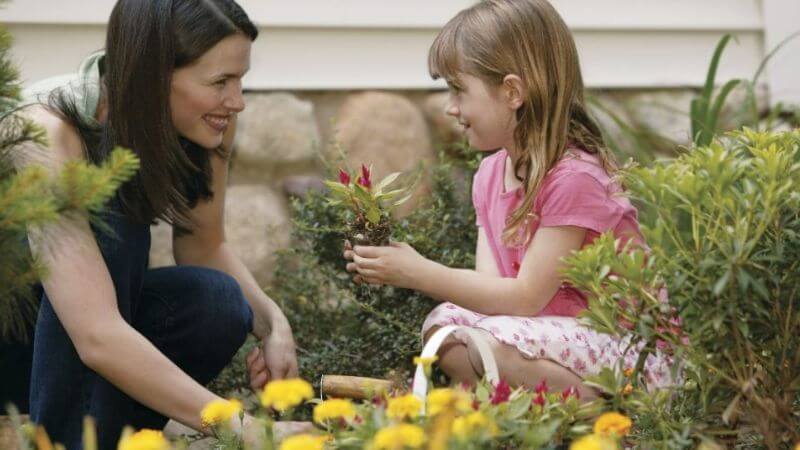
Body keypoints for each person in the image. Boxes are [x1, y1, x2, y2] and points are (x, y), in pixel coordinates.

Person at [345, 0, 675, 399]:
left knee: (491, 344)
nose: (451, 107)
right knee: (444, 329)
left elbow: (525, 297)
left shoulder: (575, 178)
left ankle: (614, 416)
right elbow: (492, 290)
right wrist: (391, 262)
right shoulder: (488, 176)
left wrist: (417, 272)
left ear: (513, 92)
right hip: (545, 338)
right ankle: (524, 413)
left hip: (629, 352)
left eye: (458, 90)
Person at [16, 1, 299, 448]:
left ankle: (119, 438)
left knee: (217, 302)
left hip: (78, 336)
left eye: (241, 79)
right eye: (221, 82)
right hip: (18, 338)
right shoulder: (50, 129)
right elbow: (94, 334)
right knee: (114, 221)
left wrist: (273, 324)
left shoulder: (203, 127)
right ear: (153, 76)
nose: (238, 101)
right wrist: (242, 429)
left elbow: (204, 247)